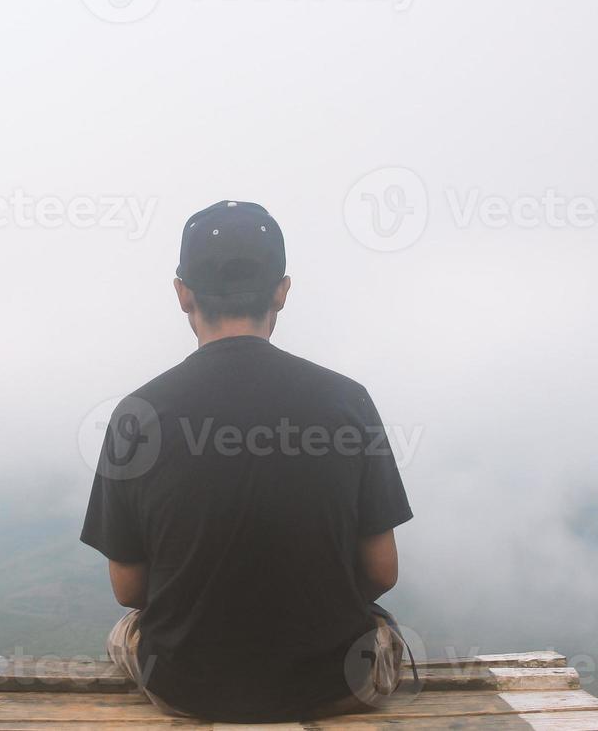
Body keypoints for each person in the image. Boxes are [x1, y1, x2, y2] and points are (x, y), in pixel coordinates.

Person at [80, 200, 415, 723]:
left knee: (122, 635)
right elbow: (382, 571)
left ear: (182, 293)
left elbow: (130, 591)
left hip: (186, 689)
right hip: (340, 683)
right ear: (282, 290)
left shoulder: (135, 415)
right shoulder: (348, 401)